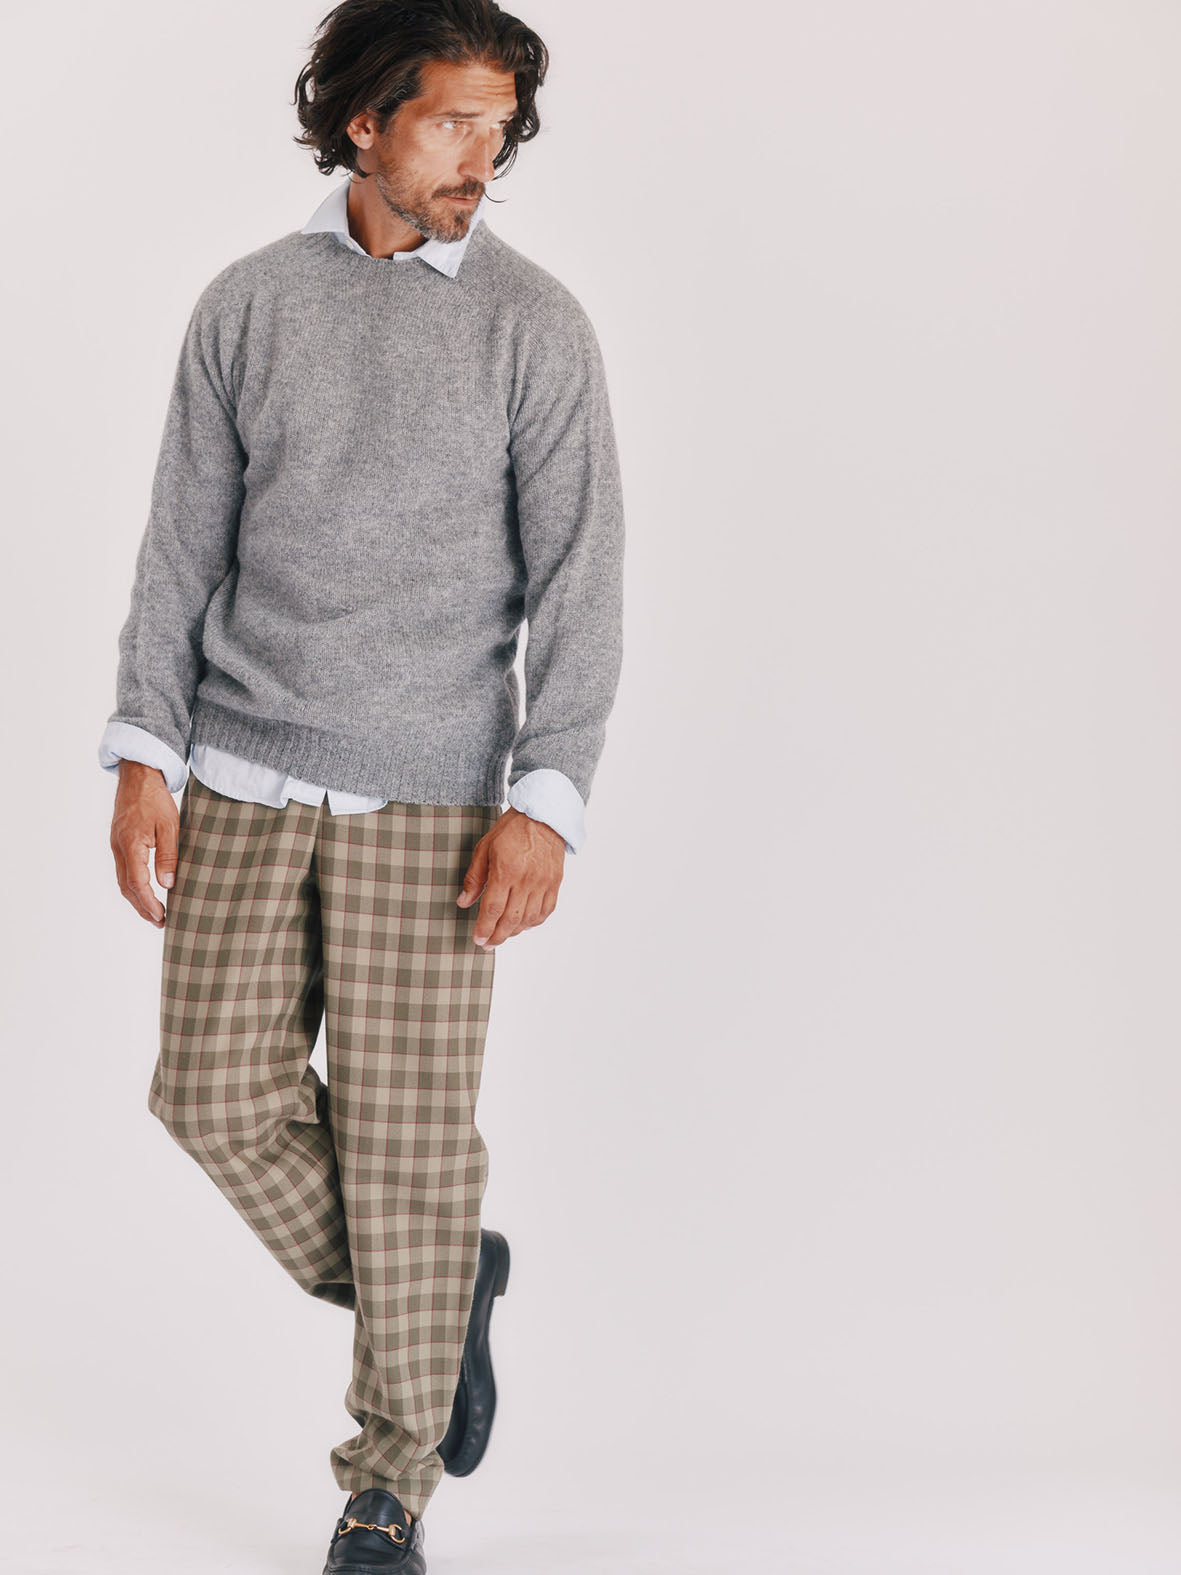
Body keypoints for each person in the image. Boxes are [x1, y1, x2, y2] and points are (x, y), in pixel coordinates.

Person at [99, 3, 625, 1569]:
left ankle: (386, 1489)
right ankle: (440, 1283)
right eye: (453, 121)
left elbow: (582, 580)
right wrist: (142, 749)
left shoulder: (536, 326)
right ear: (362, 123)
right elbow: (180, 547)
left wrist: (548, 795)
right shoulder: (248, 305)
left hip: (438, 802)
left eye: (500, 126)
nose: (484, 155)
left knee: (403, 1144)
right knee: (208, 1096)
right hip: (241, 770)